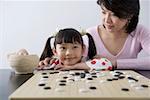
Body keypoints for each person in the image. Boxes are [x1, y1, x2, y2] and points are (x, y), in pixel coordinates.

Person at [86, 0, 150, 70]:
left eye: (114, 14)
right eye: (104, 12)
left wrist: (114, 63)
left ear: (130, 15)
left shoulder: (139, 31)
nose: (107, 20)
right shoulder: (91, 35)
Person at [38, 28, 113, 71]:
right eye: (63, 48)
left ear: (83, 49)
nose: (68, 53)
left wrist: (73, 67)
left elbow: (107, 64)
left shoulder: (86, 61)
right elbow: (38, 68)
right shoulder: (55, 64)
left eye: (74, 47)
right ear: (55, 52)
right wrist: (43, 64)